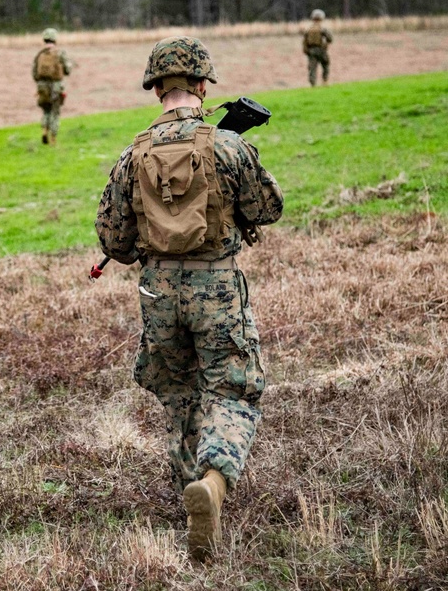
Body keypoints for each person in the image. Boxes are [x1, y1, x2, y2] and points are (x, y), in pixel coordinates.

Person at [94, 36, 284, 560]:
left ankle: (191, 500)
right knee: (232, 389)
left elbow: (113, 241)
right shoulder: (227, 146)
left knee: (179, 394)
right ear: (203, 85)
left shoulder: (132, 156)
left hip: (158, 294)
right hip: (216, 288)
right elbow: (268, 208)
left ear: (157, 89)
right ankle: (214, 485)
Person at [32, 27, 73, 146]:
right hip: (56, 87)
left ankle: (44, 130)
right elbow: (67, 70)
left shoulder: (39, 54)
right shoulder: (60, 53)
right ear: (55, 39)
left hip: (42, 87)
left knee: (45, 111)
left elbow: (34, 73)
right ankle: (53, 140)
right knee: (55, 112)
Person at [303, 9, 333, 87]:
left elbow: (304, 42)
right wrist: (326, 45)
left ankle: (313, 84)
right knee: (325, 65)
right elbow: (330, 38)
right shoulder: (322, 29)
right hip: (321, 50)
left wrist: (307, 51)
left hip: (311, 51)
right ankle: (325, 81)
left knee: (312, 68)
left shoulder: (308, 30)